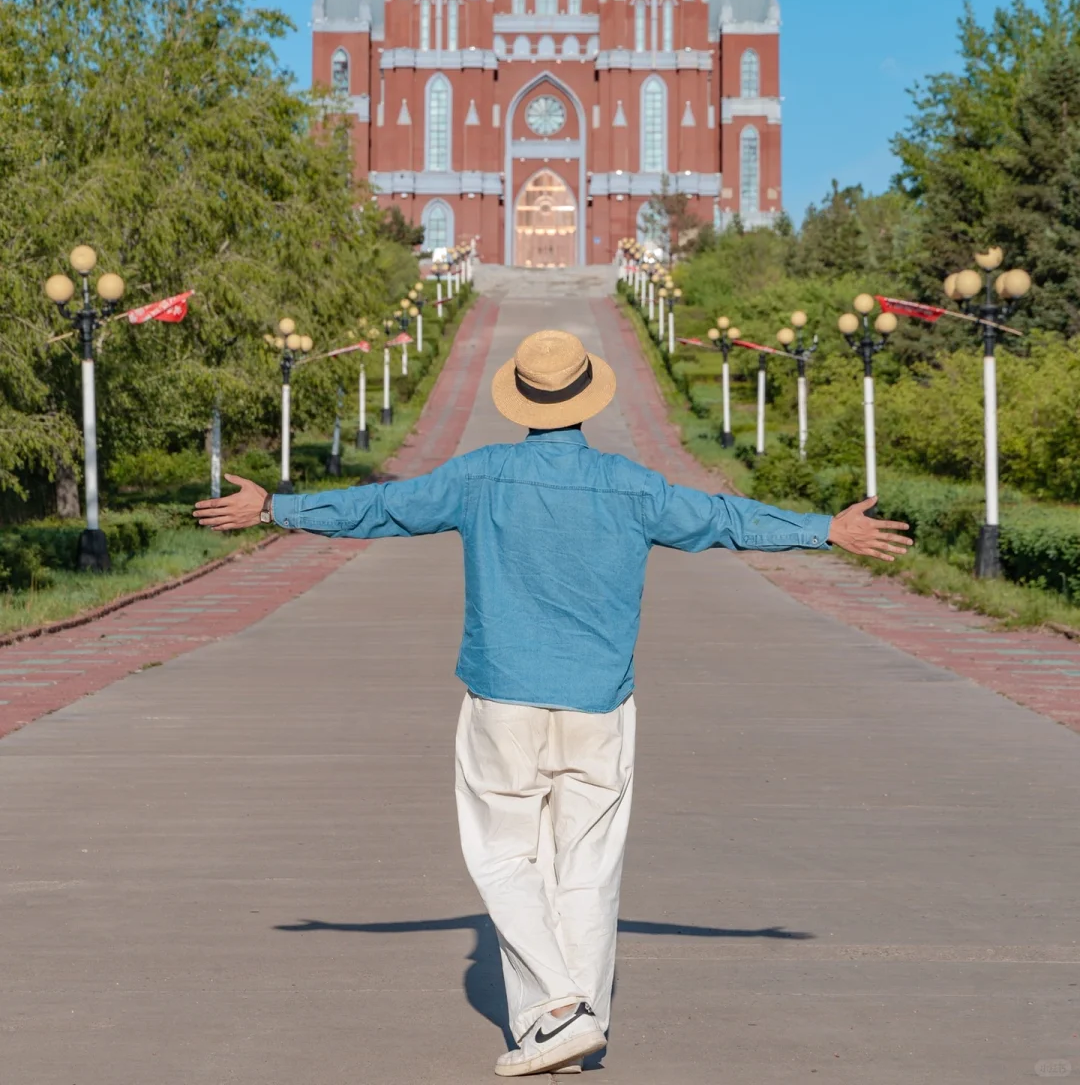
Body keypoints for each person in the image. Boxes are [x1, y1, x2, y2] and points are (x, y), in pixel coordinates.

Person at [195, 328, 911, 1077]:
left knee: (505, 857)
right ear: (586, 400)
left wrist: (278, 508)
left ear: (521, 401)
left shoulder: (482, 477)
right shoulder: (633, 487)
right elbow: (724, 521)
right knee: (589, 869)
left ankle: (557, 1011)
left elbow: (384, 509)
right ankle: (576, 1026)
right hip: (599, 705)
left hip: (503, 700)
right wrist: (824, 531)